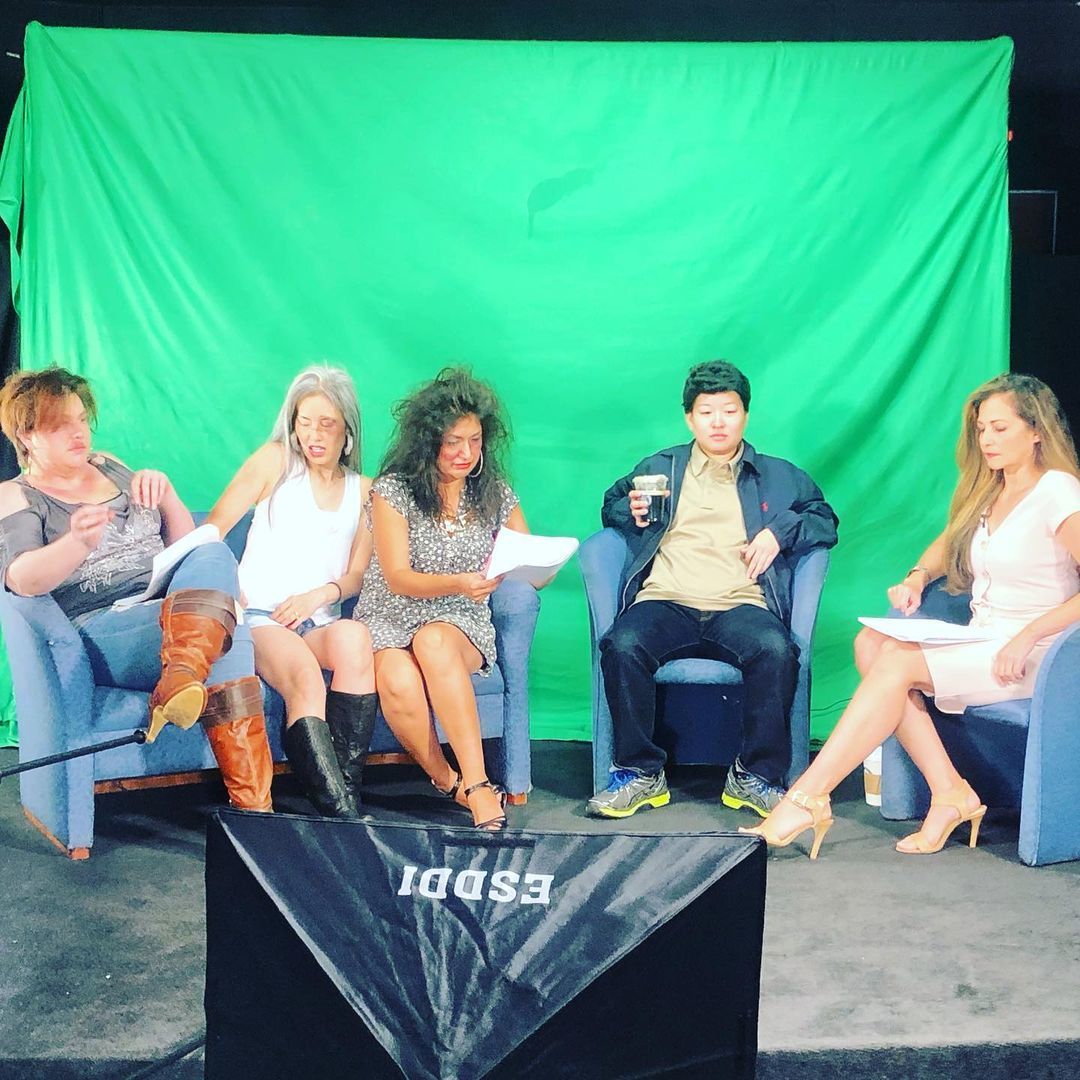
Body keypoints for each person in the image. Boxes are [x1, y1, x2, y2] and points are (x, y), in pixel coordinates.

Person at [744, 372, 1080, 858]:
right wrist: (918, 577)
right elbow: (950, 543)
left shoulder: (1059, 492)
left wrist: (1029, 634)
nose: (986, 439)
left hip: (1040, 653)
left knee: (897, 663)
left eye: (1000, 428)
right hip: (986, 638)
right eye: (981, 429)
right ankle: (950, 792)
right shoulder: (991, 490)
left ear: (1036, 431)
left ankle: (807, 797)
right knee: (871, 645)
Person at [0, 367, 272, 811]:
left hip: (168, 606)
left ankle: (181, 677)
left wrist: (167, 495)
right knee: (228, 632)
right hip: (104, 626)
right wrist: (76, 543)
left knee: (213, 551)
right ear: (27, 435)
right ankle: (256, 811)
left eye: (82, 419)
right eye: (61, 424)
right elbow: (20, 579)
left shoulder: (109, 465)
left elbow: (185, 547)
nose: (79, 432)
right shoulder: (16, 495)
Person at [586, 359, 839, 819]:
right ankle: (640, 774)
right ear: (690, 418)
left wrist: (779, 532)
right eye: (706, 412)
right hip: (666, 598)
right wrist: (631, 511)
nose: (718, 422)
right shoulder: (660, 467)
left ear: (746, 415)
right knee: (622, 644)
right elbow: (612, 505)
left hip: (740, 603)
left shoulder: (778, 475)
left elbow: (824, 519)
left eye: (729, 411)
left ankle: (754, 776)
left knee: (776, 650)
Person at [354, 367, 528, 831]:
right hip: (391, 615)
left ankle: (479, 783)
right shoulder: (393, 491)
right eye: (453, 442)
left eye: (475, 441)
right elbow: (398, 577)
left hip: (459, 619)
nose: (465, 453)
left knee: (433, 640)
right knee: (397, 678)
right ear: (428, 441)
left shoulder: (493, 493)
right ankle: (451, 783)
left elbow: (529, 558)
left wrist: (530, 568)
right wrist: (459, 581)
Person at [208, 366, 375, 818]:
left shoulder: (364, 492)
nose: (314, 435)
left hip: (318, 620)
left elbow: (357, 575)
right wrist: (229, 591)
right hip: (263, 618)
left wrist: (319, 595)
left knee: (355, 640)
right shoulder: (274, 462)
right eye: (305, 423)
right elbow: (214, 529)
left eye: (327, 424)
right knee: (304, 673)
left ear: (348, 432)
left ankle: (345, 796)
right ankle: (342, 814)